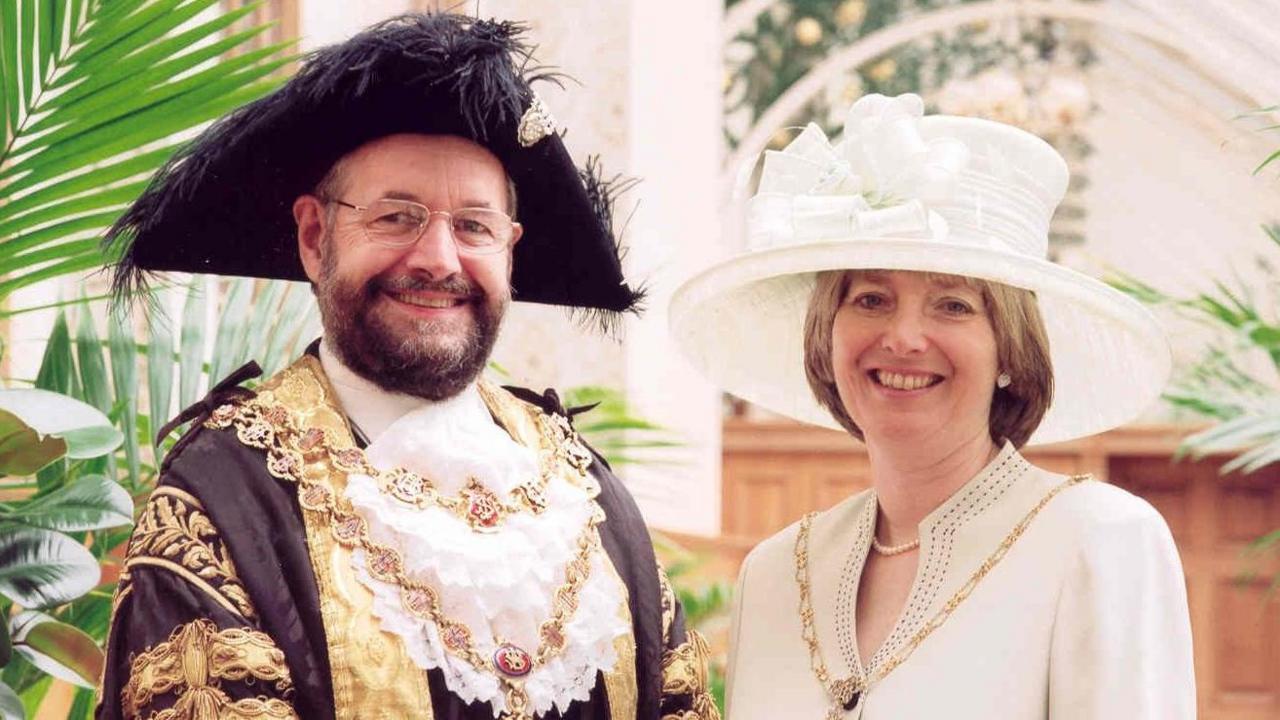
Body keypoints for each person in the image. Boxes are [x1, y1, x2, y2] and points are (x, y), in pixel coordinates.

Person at [96, 14, 717, 720]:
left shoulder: (587, 494)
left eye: (474, 226)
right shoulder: (222, 502)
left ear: (510, 250)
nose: (439, 260)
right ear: (313, 236)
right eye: (397, 217)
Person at [669, 93, 1194, 718]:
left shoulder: (1099, 539)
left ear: (1009, 350)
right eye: (870, 299)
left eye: (953, 305)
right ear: (826, 333)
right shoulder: (775, 572)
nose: (903, 337)